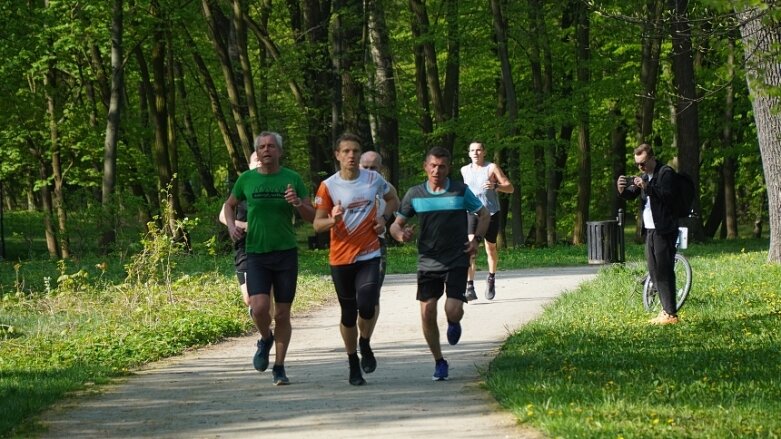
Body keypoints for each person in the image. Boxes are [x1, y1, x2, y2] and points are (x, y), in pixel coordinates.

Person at [222, 131, 316, 385]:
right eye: (262, 147)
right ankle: (265, 338)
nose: (266, 150)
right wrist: (232, 226)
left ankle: (279, 366)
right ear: (257, 152)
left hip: (285, 253)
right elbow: (229, 205)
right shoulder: (247, 180)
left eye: (271, 146)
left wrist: (297, 202)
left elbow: (312, 216)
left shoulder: (292, 178)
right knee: (260, 307)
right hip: (256, 253)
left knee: (283, 314)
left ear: (279, 151)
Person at [389, 147, 489, 381]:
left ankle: (454, 323)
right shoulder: (415, 194)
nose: (437, 170)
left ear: (448, 168)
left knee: (452, 310)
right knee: (427, 312)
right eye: (433, 165)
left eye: (442, 166)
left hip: (456, 257)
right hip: (428, 260)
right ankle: (439, 361)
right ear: (425, 167)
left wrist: (477, 241)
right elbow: (395, 225)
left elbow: (484, 215)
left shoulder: (460, 191)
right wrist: (400, 235)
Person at [314, 134, 400, 386]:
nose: (351, 155)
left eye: (355, 151)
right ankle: (353, 361)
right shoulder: (328, 186)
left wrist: (383, 218)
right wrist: (334, 220)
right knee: (348, 313)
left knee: (368, 303)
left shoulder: (374, 179)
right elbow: (317, 224)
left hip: (369, 253)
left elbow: (393, 198)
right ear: (337, 155)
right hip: (340, 258)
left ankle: (365, 342)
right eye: (346, 151)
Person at [617, 143, 680, 325]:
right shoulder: (646, 175)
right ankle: (665, 311)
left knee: (664, 271)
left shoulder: (665, 173)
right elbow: (631, 194)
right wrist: (622, 190)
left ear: (652, 158)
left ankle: (671, 314)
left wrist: (647, 187)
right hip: (651, 231)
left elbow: (668, 196)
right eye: (638, 164)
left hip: (665, 230)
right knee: (654, 272)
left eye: (643, 163)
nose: (640, 167)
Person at [460, 141, 514, 301]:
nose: (475, 153)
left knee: (490, 249)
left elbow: (510, 188)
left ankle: (491, 278)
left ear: (484, 152)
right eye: (472, 150)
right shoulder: (464, 170)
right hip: (472, 213)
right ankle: (470, 287)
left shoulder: (492, 168)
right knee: (470, 249)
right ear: (469, 153)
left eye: (478, 150)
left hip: (490, 213)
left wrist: (496, 186)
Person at [219, 151, 260, 310]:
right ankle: (265, 324)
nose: (259, 163)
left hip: (270, 246)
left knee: (265, 295)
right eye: (256, 160)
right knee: (249, 298)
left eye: (261, 160)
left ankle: (267, 325)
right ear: (250, 166)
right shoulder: (243, 186)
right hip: (244, 247)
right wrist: (242, 226)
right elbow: (223, 214)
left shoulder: (273, 186)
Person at [359, 150, 396, 288]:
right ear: (359, 166)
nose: (369, 171)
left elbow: (395, 202)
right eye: (365, 167)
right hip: (352, 243)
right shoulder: (349, 186)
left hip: (376, 241)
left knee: (372, 291)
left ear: (380, 168)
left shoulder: (386, 187)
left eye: (373, 167)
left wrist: (384, 218)